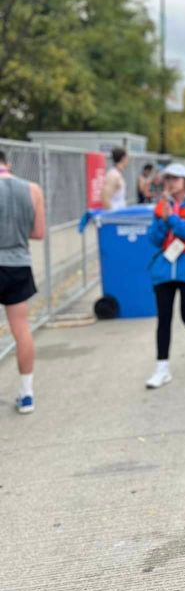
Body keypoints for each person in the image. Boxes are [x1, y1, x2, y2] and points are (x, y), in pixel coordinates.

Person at [145, 163, 185, 389]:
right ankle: (161, 368)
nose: (170, 183)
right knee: (163, 318)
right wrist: (163, 220)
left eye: (175, 178)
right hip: (164, 269)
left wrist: (172, 219)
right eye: (167, 179)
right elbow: (154, 239)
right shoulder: (161, 205)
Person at [0, 151, 45, 413]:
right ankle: (27, 394)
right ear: (8, 164)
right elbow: (38, 232)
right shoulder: (32, 189)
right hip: (18, 263)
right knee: (21, 329)